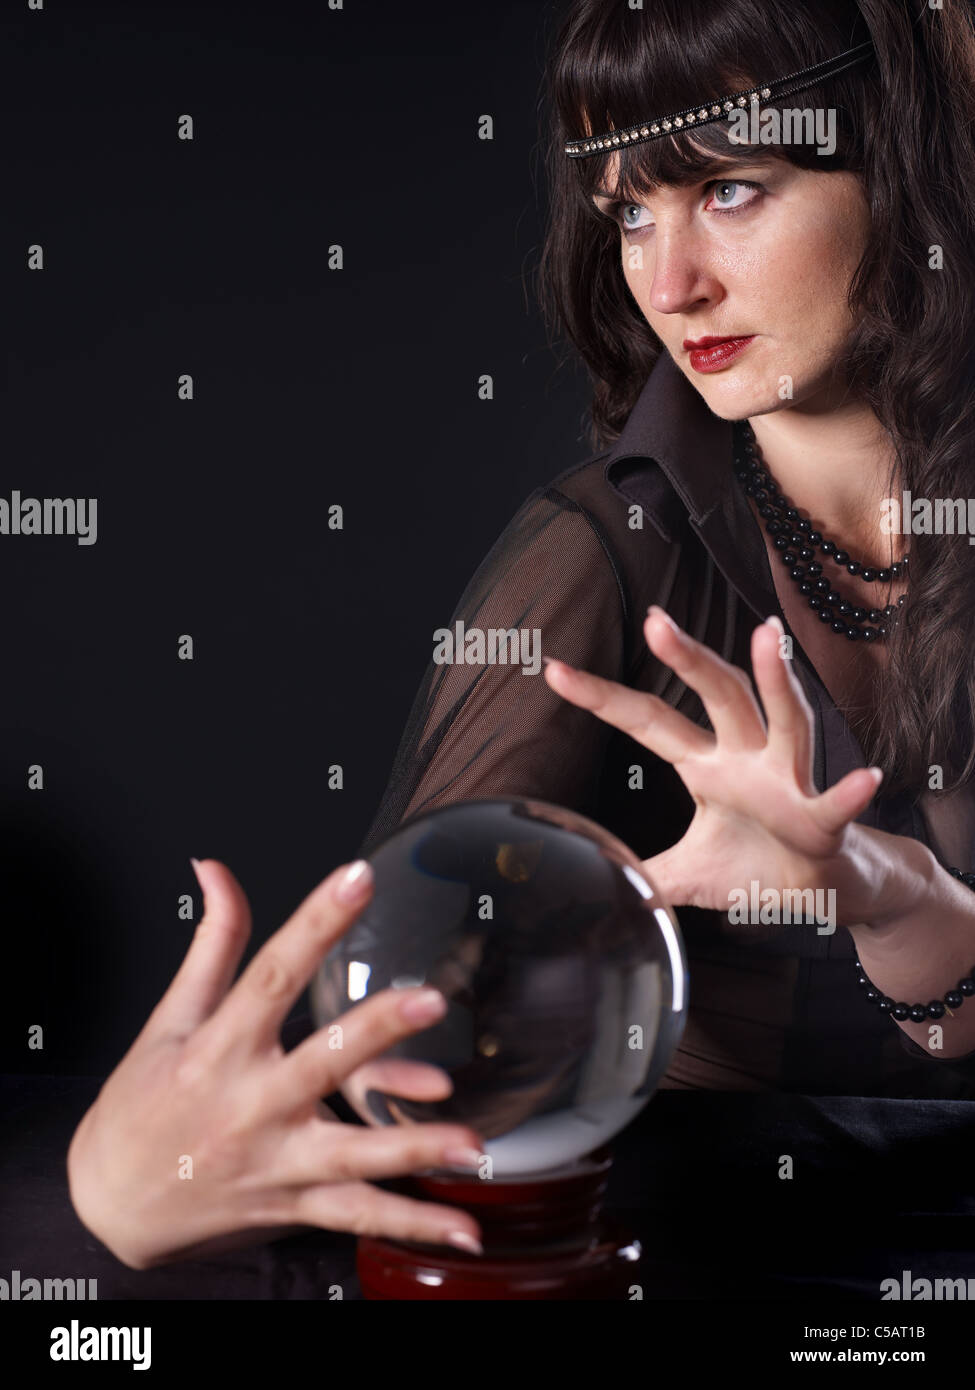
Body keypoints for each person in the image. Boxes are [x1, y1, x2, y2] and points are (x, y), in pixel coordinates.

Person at [67, 0, 975, 1271]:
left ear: (909, 162)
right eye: (630, 211)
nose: (668, 284)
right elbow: (399, 1043)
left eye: (728, 190)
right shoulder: (604, 558)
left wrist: (898, 903)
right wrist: (118, 1197)